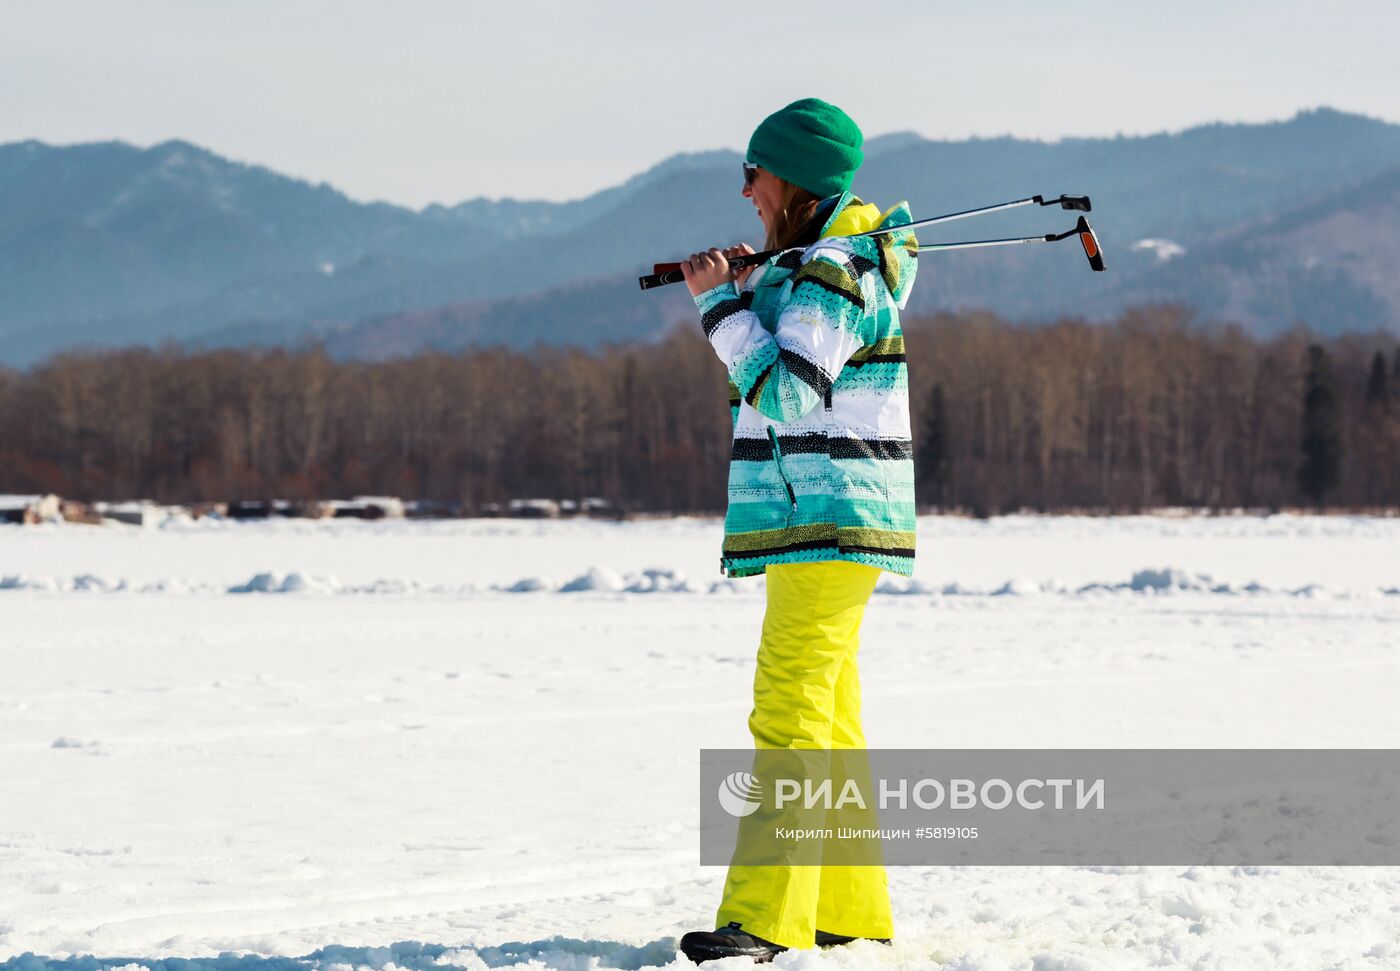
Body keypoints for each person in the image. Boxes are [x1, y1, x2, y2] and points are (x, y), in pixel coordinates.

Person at [675, 98, 919, 964]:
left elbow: (786, 391)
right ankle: (847, 907)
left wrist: (718, 310)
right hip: (820, 514)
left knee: (787, 712)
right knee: (829, 715)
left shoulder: (837, 271)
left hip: (827, 515)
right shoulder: (814, 266)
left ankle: (764, 917)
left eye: (755, 173)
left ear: (796, 183)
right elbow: (793, 361)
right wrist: (750, 286)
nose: (744, 190)